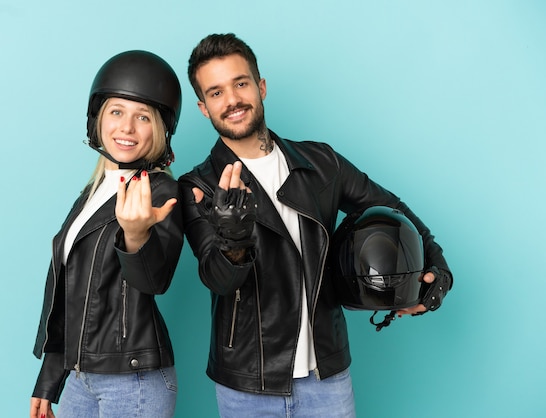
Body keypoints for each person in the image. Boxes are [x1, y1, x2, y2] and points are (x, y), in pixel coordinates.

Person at [178, 33, 453, 418]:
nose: (232, 100)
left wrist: (437, 268)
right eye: (216, 92)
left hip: (327, 376)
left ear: (260, 87)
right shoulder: (198, 185)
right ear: (204, 108)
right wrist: (233, 237)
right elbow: (218, 278)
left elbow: (393, 210)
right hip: (247, 383)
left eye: (240, 84)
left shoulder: (321, 162)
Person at [30, 50, 184, 418]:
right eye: (117, 112)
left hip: (134, 381)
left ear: (159, 130)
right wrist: (49, 378)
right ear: (98, 119)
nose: (126, 128)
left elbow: (154, 280)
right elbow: (70, 289)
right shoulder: (94, 190)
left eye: (142, 117)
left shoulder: (161, 192)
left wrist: (135, 236)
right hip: (82, 378)